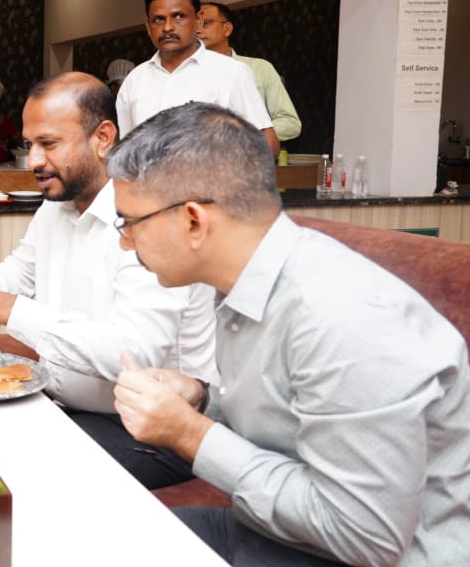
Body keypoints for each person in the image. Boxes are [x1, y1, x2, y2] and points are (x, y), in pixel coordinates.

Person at [108, 102, 470, 567]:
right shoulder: (248, 280)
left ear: (193, 220)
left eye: (129, 223)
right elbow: (289, 423)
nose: (124, 242)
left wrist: (189, 434)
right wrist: (201, 399)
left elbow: (367, 539)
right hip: (278, 533)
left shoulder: (340, 317)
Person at [0, 72, 216, 489]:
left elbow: (131, 353)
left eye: (49, 144)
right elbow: (22, 273)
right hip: (66, 404)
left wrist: (8, 309)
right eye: (29, 144)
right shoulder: (56, 205)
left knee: (3, 468)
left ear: (103, 138)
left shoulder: (149, 216)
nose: (33, 161)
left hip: (151, 429)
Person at [115, 0, 280, 157]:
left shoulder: (231, 73)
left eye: (179, 16)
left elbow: (267, 145)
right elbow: (123, 154)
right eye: (158, 19)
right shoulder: (134, 81)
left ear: (199, 20)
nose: (168, 27)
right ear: (148, 27)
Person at [197, 1, 302, 141]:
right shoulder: (187, 73)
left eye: (206, 23)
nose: (197, 30)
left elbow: (290, 123)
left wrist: (243, 134)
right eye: (194, 25)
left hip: (247, 151)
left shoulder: (260, 68)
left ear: (227, 28)